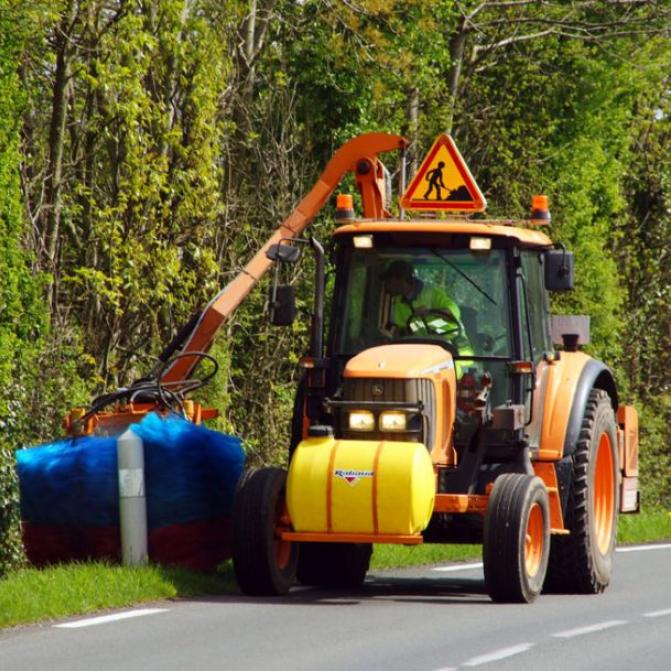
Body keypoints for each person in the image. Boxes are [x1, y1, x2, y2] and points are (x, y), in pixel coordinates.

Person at [380, 259, 474, 369]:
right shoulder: (399, 303)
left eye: (389, 280)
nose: (386, 285)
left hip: (455, 354)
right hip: (423, 356)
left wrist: (429, 311)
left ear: (401, 279)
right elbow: (404, 331)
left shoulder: (432, 294)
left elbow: (453, 312)